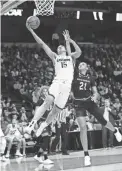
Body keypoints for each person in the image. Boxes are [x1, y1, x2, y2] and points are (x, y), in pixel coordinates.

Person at [25, 24, 81, 137]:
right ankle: (32, 124)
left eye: (62, 46)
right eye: (58, 47)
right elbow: (41, 43)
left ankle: (43, 126)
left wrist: (70, 41)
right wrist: (31, 31)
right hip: (57, 82)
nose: (60, 47)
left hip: (67, 87)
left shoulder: (71, 57)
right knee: (48, 101)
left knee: (55, 111)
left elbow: (79, 52)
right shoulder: (55, 56)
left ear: (65, 49)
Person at [72, 61, 122, 166]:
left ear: (86, 67)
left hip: (89, 102)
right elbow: (72, 58)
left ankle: (115, 130)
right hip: (78, 103)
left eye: (83, 64)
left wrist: (95, 96)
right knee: (83, 127)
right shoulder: (75, 75)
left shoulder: (91, 78)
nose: (81, 65)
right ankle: (86, 155)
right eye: (80, 64)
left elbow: (96, 92)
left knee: (103, 121)